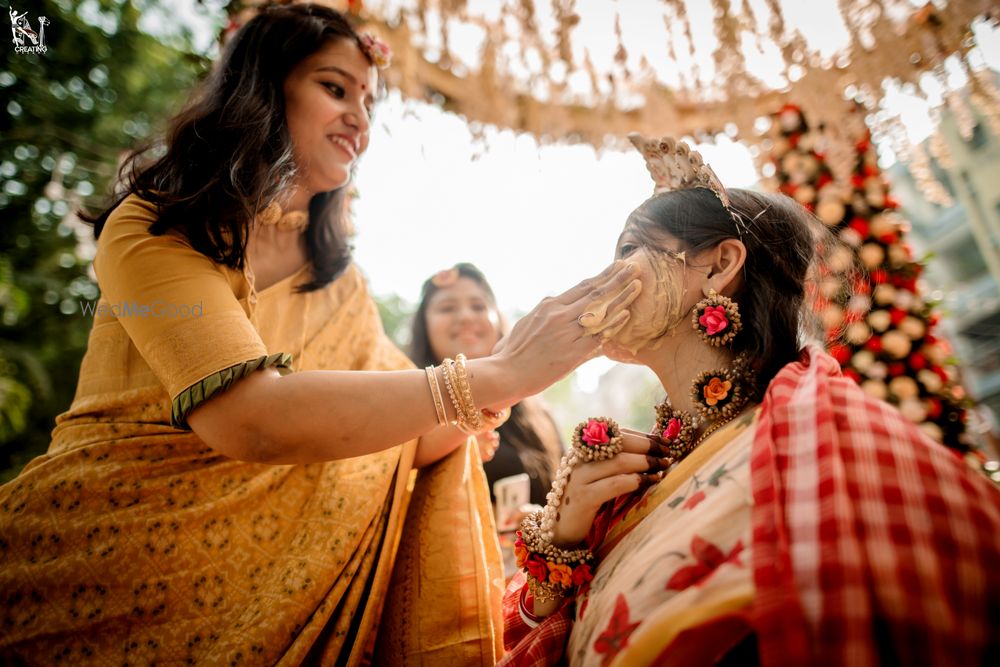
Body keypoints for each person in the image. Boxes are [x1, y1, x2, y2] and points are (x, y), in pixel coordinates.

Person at [0, 5, 643, 665]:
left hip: (269, 616)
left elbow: (409, 438)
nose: (361, 118)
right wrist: (501, 373)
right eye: (335, 89)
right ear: (262, 90)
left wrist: (525, 368)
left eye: (369, 100)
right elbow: (249, 419)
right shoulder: (156, 226)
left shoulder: (340, 284)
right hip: (92, 569)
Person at [500, 133, 1000, 666]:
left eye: (628, 250)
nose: (605, 279)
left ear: (718, 267)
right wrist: (564, 537)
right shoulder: (636, 473)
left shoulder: (826, 438)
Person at [408, 262, 565, 575]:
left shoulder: (536, 412)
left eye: (478, 305)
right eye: (447, 308)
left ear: (497, 317)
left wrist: (544, 523)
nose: (466, 316)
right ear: (424, 326)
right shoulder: (407, 412)